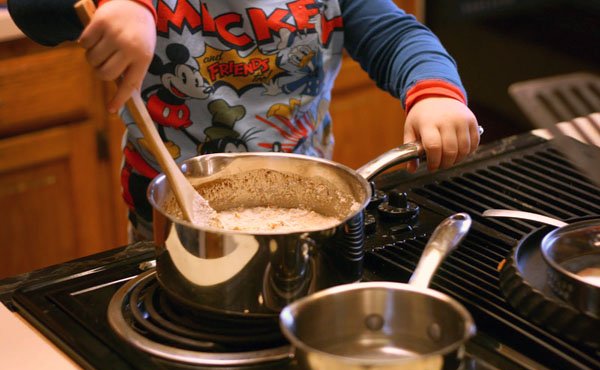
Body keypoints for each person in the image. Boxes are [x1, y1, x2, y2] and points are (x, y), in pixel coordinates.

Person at [9, 0, 480, 241]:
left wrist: (434, 95)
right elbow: (33, 10)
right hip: (167, 225)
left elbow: (396, 36)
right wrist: (120, 5)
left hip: (304, 219)